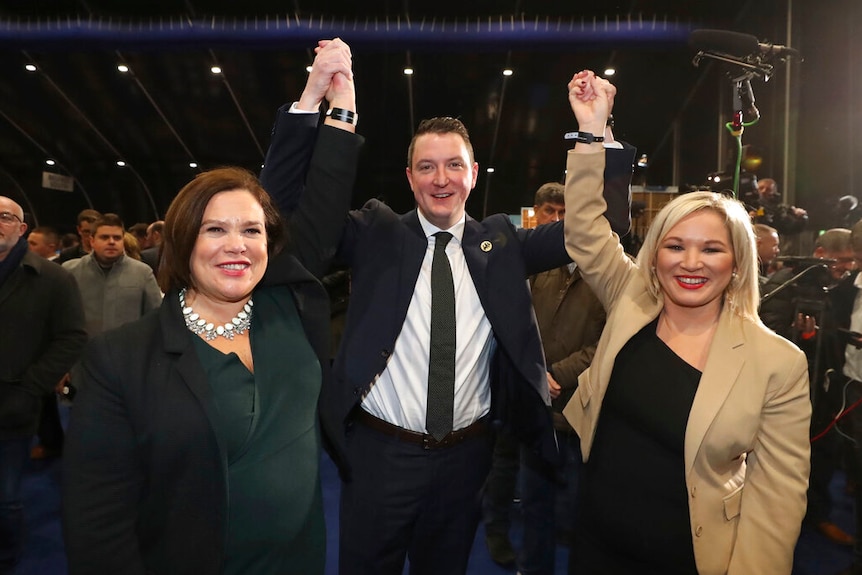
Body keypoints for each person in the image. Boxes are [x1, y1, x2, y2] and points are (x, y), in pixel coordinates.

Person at [260, 54, 635, 575]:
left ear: (474, 174)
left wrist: (595, 133)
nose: (442, 179)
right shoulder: (376, 232)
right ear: (409, 177)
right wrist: (318, 104)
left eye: (455, 164)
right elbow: (279, 221)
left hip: (467, 460)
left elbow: (601, 230)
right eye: (427, 167)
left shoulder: (502, 245)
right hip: (377, 456)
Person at [61, 43, 362, 574]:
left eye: (250, 231)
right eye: (214, 229)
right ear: (181, 241)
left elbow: (316, 199)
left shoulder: (287, 306)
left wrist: (329, 105)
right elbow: (98, 524)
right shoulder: (121, 360)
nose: (237, 245)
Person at [562, 70, 811, 574]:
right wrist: (592, 134)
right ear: (654, 256)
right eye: (674, 246)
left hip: (688, 558)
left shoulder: (778, 364)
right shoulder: (632, 298)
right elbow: (586, 230)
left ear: (738, 262)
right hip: (593, 543)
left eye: (712, 249)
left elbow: (776, 500)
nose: (690, 263)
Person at [482, 182, 608, 574]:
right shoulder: (533, 265)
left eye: (565, 212)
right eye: (550, 212)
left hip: (578, 407)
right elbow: (516, 323)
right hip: (528, 400)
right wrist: (534, 373)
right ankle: (508, 545)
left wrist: (557, 374)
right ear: (536, 213)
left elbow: (607, 342)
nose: (558, 219)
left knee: (575, 508)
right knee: (529, 497)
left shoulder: (607, 272)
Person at [0, 196, 86, 573]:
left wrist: (30, 387)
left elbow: (71, 337)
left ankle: (5, 557)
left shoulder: (54, 279)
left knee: (5, 497)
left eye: (5, 217)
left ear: (22, 229)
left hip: (13, 406)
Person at [63, 213, 162, 338]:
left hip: (128, 352)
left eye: (117, 238)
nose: (111, 242)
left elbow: (155, 318)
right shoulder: (71, 271)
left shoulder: (143, 273)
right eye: (104, 237)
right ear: (92, 241)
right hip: (83, 352)